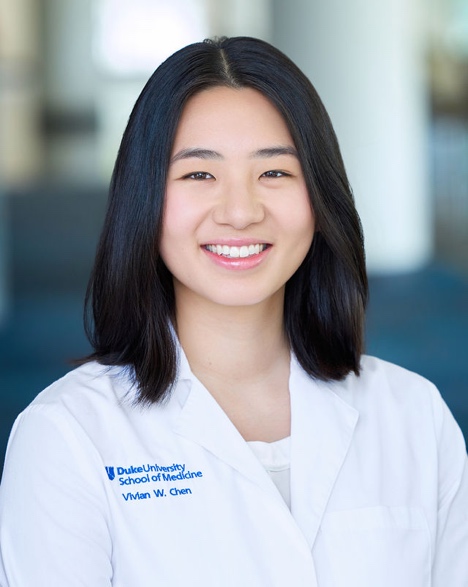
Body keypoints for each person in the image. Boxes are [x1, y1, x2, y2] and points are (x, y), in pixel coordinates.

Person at [0, 36, 467, 587]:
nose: (241, 212)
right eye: (200, 174)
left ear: (320, 197)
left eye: (275, 173)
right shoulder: (66, 436)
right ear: (143, 198)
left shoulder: (414, 414)